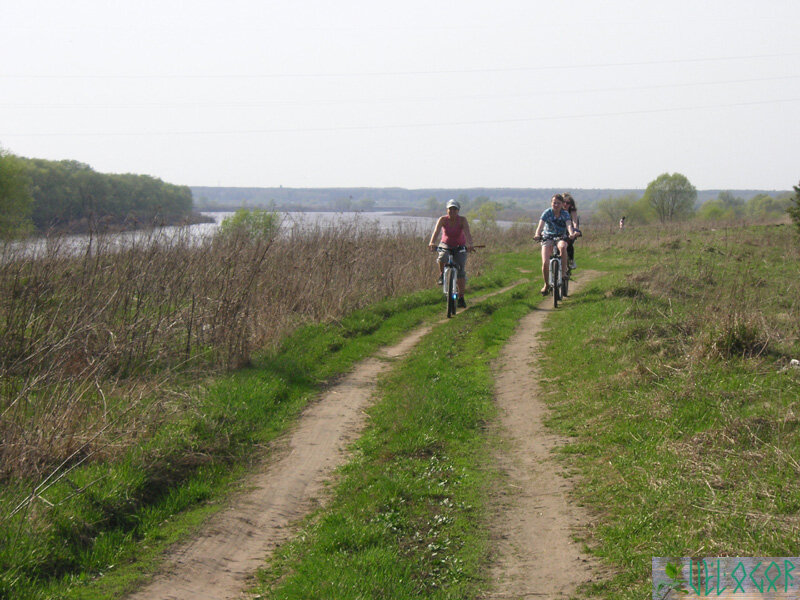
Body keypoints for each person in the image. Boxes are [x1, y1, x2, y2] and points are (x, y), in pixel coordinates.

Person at [428, 199, 474, 308]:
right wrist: (432, 242)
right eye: (450, 209)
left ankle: (461, 297)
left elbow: (467, 233)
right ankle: (442, 275)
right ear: (447, 210)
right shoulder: (443, 220)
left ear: (458, 211)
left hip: (459, 246)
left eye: (454, 209)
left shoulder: (462, 220)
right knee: (442, 257)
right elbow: (436, 232)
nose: (452, 211)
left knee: (460, 270)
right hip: (446, 244)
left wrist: (470, 244)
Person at [533, 194, 579, 295]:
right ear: (551, 203)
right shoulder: (547, 212)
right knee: (545, 263)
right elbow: (540, 226)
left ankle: (563, 274)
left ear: (562, 204)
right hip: (547, 237)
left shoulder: (565, 214)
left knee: (563, 247)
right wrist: (537, 234)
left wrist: (571, 234)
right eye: (554, 202)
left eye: (558, 203)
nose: (556, 205)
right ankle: (546, 284)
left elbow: (569, 225)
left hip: (560, 237)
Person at [562, 192, 580, 270]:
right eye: (563, 202)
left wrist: (575, 230)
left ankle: (571, 260)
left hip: (570, 230)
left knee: (568, 243)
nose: (565, 204)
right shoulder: (557, 210)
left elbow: (575, 222)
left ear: (571, 204)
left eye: (567, 203)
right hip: (560, 229)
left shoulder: (572, 211)